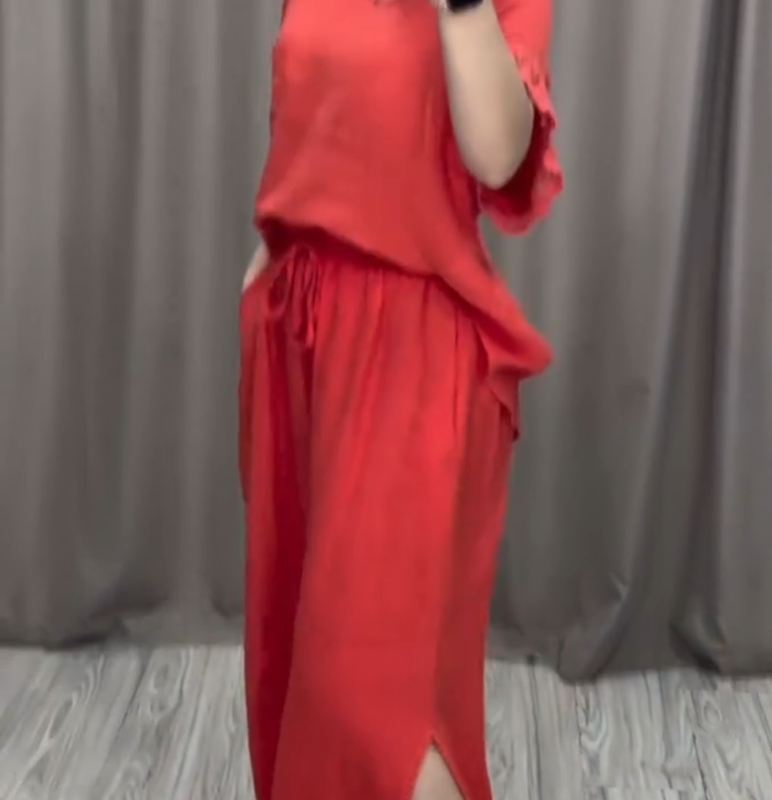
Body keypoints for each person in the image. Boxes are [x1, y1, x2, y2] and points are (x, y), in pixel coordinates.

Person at [237, 0, 563, 797]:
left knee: (385, 708)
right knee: (297, 675)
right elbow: (314, 121)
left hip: (412, 352)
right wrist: (267, 262)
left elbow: (498, 156)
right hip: (298, 333)